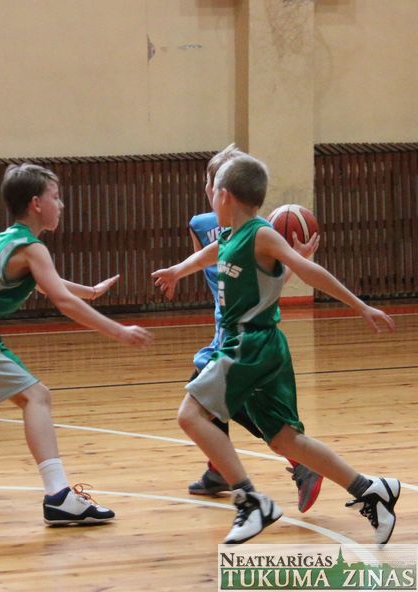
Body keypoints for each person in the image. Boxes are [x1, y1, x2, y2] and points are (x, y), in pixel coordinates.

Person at [152, 153, 400, 546]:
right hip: (262, 348)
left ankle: (251, 501)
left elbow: (310, 271)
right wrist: (178, 270)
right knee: (286, 440)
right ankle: (370, 489)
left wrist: (360, 305)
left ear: (223, 195)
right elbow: (211, 254)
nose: (209, 197)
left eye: (212, 191)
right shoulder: (232, 235)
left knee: (190, 416)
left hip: (247, 344)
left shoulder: (261, 234)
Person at [0, 163, 153, 525]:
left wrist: (90, 291)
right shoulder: (32, 246)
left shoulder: (10, 239)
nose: (61, 204)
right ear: (36, 204)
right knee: (36, 396)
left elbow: (48, 282)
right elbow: (61, 300)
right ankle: (59, 496)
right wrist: (118, 331)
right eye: (55, 197)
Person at [187, 146, 323, 514]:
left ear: (219, 189)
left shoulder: (204, 225)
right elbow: (267, 279)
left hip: (238, 332)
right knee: (214, 393)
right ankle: (219, 469)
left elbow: (215, 269)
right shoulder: (252, 227)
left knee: (216, 398)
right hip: (236, 326)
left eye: (209, 183)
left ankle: (296, 462)